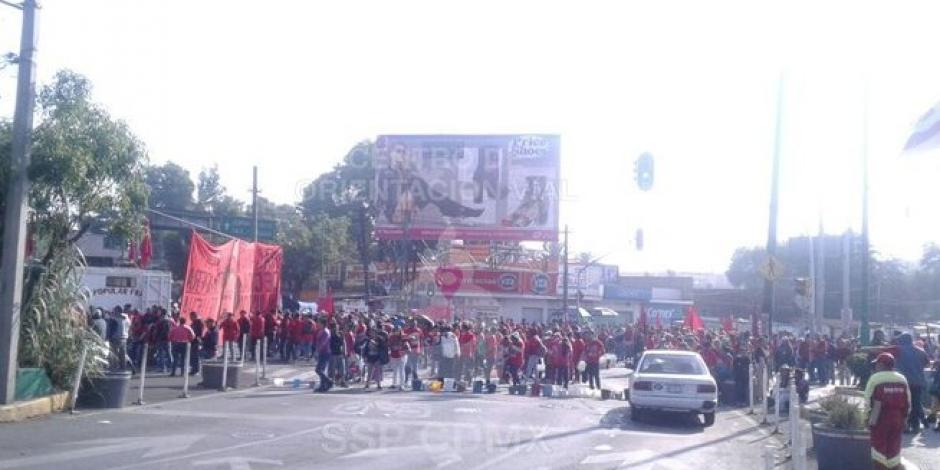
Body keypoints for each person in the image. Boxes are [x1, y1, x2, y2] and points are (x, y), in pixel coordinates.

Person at [865, 352, 911, 470]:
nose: (875, 367)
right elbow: (908, 401)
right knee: (894, 449)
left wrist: (866, 418)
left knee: (878, 449)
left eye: (876, 364)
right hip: (898, 417)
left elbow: (867, 402)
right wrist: (905, 419)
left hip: (879, 415)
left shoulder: (875, 378)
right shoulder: (902, 378)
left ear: (881, 365)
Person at [314, 317, 333, 392]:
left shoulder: (326, 331)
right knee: (321, 370)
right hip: (322, 352)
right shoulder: (321, 331)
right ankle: (323, 385)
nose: (318, 324)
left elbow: (323, 343)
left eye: (319, 322)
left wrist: (318, 350)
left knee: (318, 370)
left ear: (323, 323)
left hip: (325, 352)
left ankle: (329, 382)